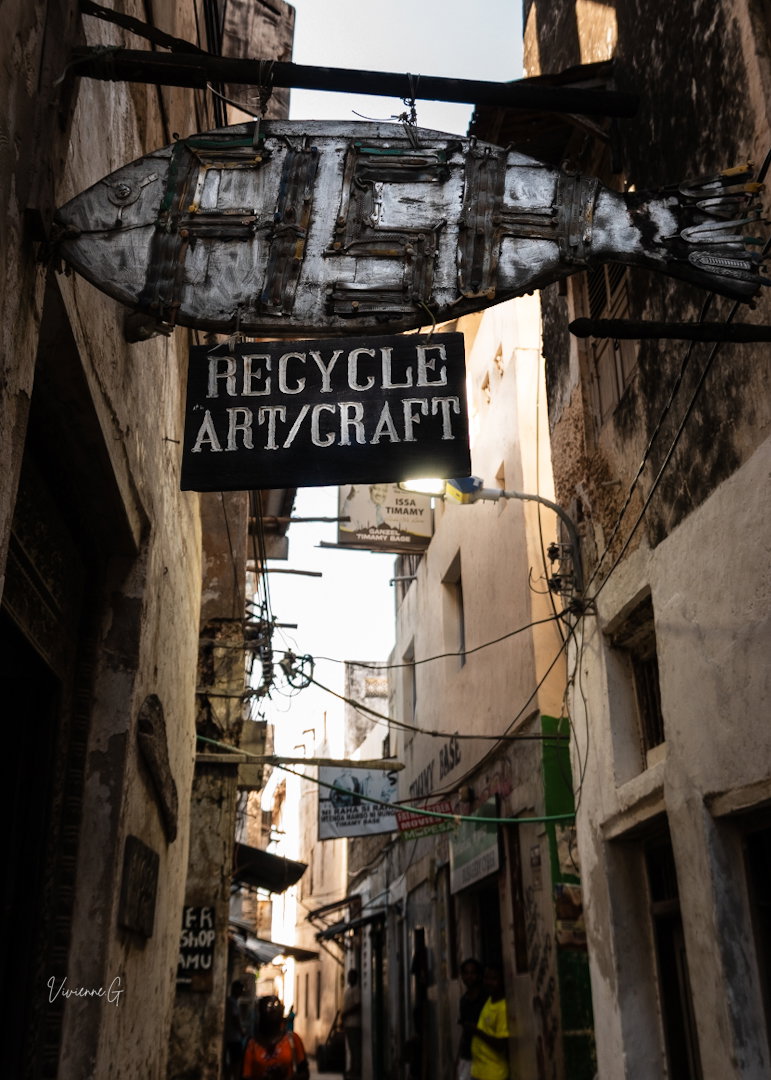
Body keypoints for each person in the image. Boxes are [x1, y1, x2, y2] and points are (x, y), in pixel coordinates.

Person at [241, 995, 309, 1080]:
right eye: (269, 1008)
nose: (273, 1011)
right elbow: (245, 1075)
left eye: (276, 1008)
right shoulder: (252, 1045)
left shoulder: (292, 1039)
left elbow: (304, 1073)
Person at [467, 964, 511, 1080]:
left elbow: (501, 1045)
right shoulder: (490, 1000)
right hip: (479, 1072)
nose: (488, 982)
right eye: (486, 978)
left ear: (502, 981)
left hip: (493, 1074)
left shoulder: (503, 1008)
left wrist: (476, 1031)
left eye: (493, 979)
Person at [456, 959, 485, 1080]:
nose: (469, 977)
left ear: (478, 975)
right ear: (462, 976)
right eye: (466, 973)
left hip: (484, 1056)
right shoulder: (464, 1001)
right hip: (467, 1056)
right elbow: (464, 1032)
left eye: (472, 973)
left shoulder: (485, 998)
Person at [341, 967, 362, 1078]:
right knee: (351, 1048)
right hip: (348, 1024)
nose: (349, 978)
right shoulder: (348, 990)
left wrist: (346, 1013)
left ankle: (356, 1071)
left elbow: (358, 1005)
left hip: (354, 1024)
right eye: (348, 976)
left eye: (351, 976)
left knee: (355, 1049)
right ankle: (352, 1070)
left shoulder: (356, 990)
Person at [225, 979, 246, 1080]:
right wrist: (242, 1031)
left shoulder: (232, 1002)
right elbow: (235, 1018)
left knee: (232, 1062)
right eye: (240, 989)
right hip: (234, 1038)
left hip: (231, 1037)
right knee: (236, 1062)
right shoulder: (232, 1002)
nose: (242, 992)